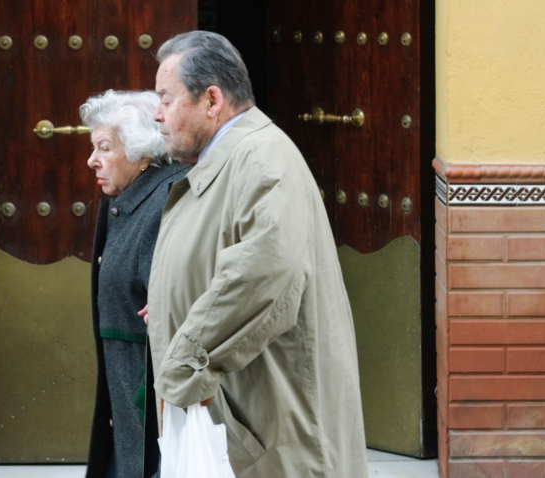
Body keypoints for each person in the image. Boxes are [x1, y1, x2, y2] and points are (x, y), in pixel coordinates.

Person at [146, 31, 370, 477]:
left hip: (269, 428)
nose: (157, 115)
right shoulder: (228, 157)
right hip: (244, 417)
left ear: (212, 100)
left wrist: (186, 361)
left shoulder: (262, 158)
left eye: (166, 99)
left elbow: (265, 272)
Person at [80, 90, 190, 478]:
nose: (92, 159)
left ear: (142, 153)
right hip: (128, 387)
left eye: (104, 147)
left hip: (151, 392)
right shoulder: (127, 198)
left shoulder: (166, 200)